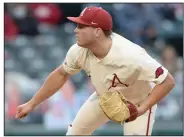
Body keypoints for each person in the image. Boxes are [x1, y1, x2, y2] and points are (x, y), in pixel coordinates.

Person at [15, 6, 175, 135]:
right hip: (104, 97)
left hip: (138, 102)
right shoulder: (78, 50)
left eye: (81, 26)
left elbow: (168, 81)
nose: (75, 30)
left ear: (97, 31)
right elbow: (61, 74)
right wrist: (32, 103)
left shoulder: (132, 55)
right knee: (74, 134)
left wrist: (143, 108)